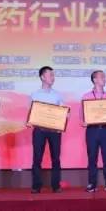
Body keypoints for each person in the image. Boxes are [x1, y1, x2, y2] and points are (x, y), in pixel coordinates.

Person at [29, 66, 65, 194]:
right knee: (37, 158)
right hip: (39, 130)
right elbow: (32, 113)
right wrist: (30, 121)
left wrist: (63, 120)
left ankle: (56, 185)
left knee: (56, 158)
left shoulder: (58, 95)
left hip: (54, 131)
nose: (53, 78)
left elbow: (62, 113)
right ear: (42, 77)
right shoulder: (35, 95)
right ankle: (36, 186)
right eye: (50, 75)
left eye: (53, 75)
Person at [81, 70, 106, 192]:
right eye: (102, 77)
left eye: (105, 77)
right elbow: (82, 117)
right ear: (94, 80)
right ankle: (92, 183)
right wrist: (84, 121)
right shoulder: (86, 96)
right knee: (92, 158)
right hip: (92, 130)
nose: (104, 79)